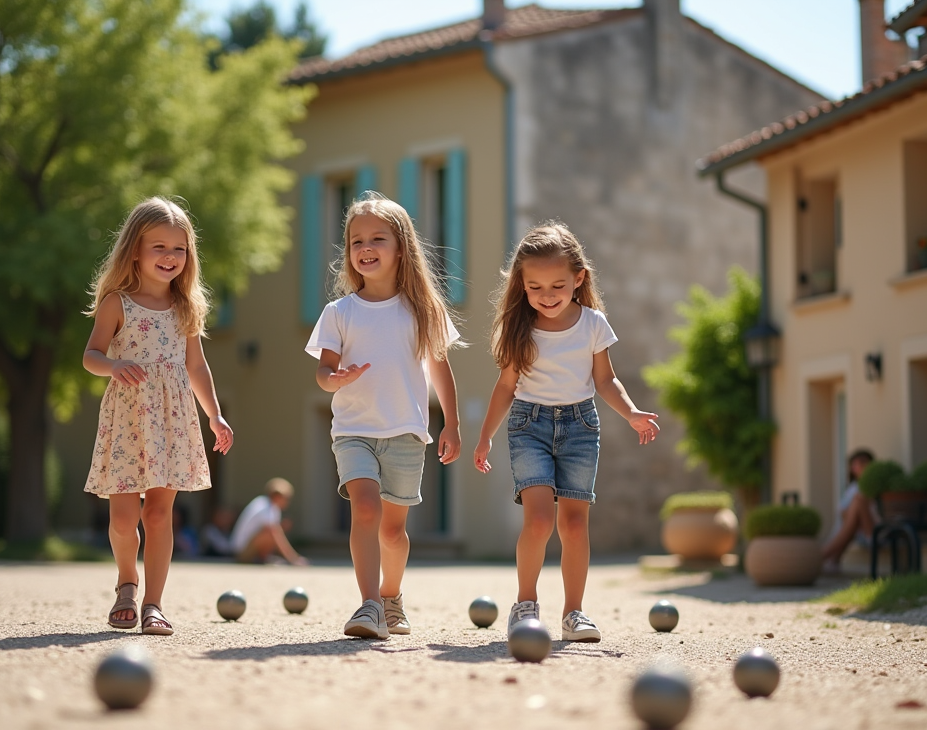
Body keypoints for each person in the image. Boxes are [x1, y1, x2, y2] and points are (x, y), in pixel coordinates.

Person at [473, 222, 659, 643]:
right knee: (539, 520)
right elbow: (505, 388)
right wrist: (485, 436)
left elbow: (606, 380)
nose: (547, 295)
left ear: (579, 278)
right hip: (528, 426)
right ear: (521, 284)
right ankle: (525, 605)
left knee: (574, 526)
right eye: (535, 287)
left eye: (558, 285)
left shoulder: (593, 323)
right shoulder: (520, 328)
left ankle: (574, 613)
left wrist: (630, 413)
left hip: (580, 427)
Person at [305, 191, 463, 639]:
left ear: (402, 248)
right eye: (356, 241)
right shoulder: (339, 312)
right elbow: (323, 369)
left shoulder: (423, 311)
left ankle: (392, 596)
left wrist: (451, 423)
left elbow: (440, 367)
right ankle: (369, 604)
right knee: (366, 509)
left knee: (393, 532)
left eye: (378, 238)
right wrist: (332, 379)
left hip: (406, 433)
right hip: (353, 430)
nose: (365, 248)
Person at [83, 196, 233, 636]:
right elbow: (91, 355)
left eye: (179, 249)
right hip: (129, 418)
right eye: (159, 248)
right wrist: (112, 365)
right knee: (123, 519)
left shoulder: (186, 307)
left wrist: (215, 416)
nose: (170, 257)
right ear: (134, 251)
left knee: (160, 515)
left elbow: (197, 366)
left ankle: (153, 603)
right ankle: (126, 581)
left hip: (171, 419)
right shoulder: (117, 303)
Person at [821, 449, 879, 573]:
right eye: (855, 464)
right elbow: (842, 512)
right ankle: (830, 558)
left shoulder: (874, 486)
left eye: (863, 463)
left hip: (871, 530)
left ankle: (823, 557)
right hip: (853, 530)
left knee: (858, 501)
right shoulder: (852, 488)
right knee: (855, 509)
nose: (858, 467)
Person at [231, 478, 308, 565]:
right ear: (277, 496)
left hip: (247, 550)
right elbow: (274, 533)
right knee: (271, 532)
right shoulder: (264, 507)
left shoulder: (270, 507)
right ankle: (269, 559)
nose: (288, 502)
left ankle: (265, 558)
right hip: (241, 554)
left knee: (276, 530)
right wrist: (293, 558)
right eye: (286, 498)